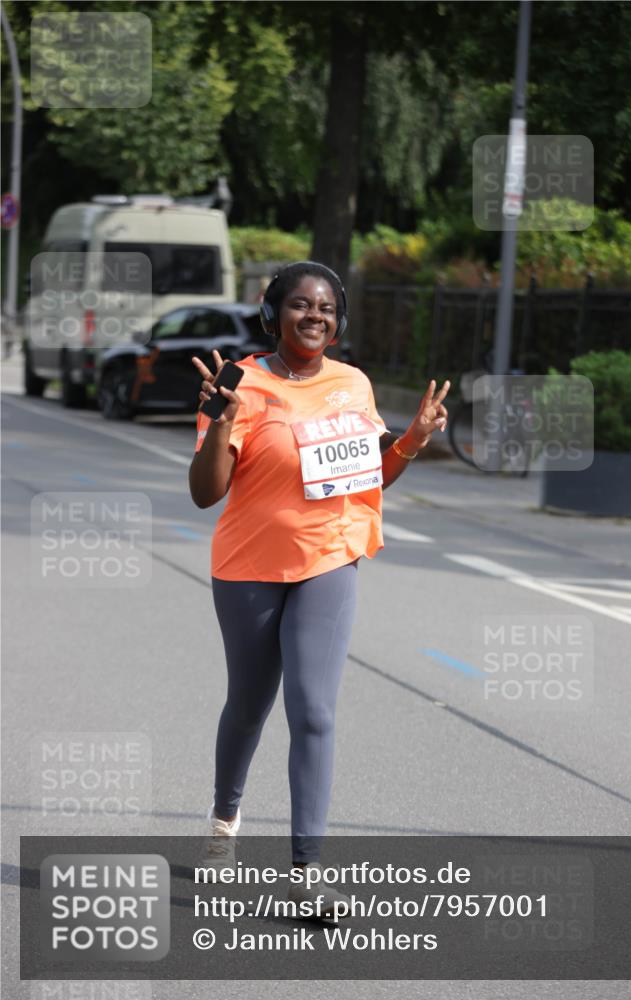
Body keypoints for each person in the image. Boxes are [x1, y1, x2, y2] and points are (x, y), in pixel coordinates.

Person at [189, 261, 449, 916]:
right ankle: (224, 825)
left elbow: (365, 479)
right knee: (248, 706)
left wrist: (412, 439)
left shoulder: (351, 384)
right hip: (248, 567)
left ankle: (306, 872)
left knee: (314, 712)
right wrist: (221, 420)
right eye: (301, 305)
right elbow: (204, 493)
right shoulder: (238, 381)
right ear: (273, 314)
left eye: (327, 308)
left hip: (329, 560)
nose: (315, 317)